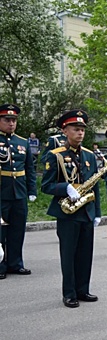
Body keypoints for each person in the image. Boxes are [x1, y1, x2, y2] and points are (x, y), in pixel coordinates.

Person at [41, 109, 102, 306]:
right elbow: (46, 185)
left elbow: (95, 185)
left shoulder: (90, 156)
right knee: (69, 255)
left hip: (86, 210)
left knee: (85, 254)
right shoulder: (55, 155)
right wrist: (65, 188)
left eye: (82, 130)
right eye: (76, 129)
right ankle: (69, 293)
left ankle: (83, 289)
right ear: (65, 131)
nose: (80, 133)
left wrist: (97, 212)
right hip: (67, 213)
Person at [0, 104, 37, 280]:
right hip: (1, 193)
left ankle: (15, 263)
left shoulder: (22, 142)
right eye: (7, 120)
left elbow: (30, 168)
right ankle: (0, 265)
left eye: (14, 120)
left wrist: (31, 190)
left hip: (19, 193)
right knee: (0, 231)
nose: (11, 123)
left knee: (17, 230)